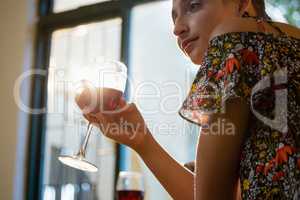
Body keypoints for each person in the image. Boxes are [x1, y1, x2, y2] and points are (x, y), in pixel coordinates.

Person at [76, 0, 300, 199]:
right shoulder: (287, 48)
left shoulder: (232, 39)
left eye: (193, 6)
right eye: (174, 16)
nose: (177, 28)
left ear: (241, 3)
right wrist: (142, 142)